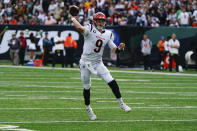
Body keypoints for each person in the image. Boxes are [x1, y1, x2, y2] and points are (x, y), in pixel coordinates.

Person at [70, 12, 131, 121]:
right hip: (85, 62)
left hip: (98, 62)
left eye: (102, 20)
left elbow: (115, 50)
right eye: (98, 20)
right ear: (94, 21)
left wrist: (120, 48)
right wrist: (73, 19)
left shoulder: (108, 34)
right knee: (87, 86)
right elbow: (80, 28)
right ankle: (88, 109)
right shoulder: (90, 28)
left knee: (111, 80)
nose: (100, 22)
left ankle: (121, 103)